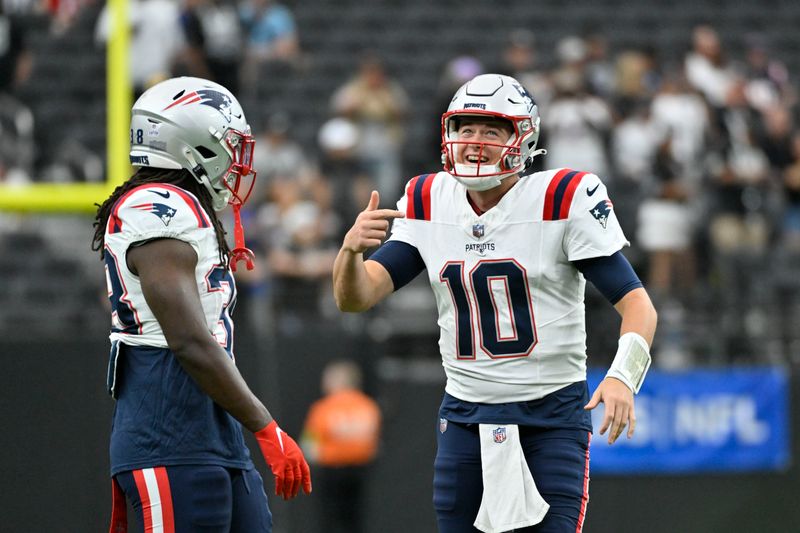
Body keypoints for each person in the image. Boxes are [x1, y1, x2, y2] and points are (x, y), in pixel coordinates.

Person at [332, 73, 657, 532]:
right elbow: (356, 297)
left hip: (550, 416)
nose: (475, 142)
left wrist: (623, 377)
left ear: (521, 139)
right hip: (466, 415)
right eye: (466, 128)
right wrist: (349, 253)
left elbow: (639, 306)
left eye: (491, 130)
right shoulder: (429, 199)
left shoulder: (562, 198)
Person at [91, 76, 311, 533]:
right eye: (229, 145)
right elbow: (189, 341)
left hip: (211, 431)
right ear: (189, 145)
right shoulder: (155, 204)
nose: (237, 161)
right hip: (167, 433)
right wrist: (266, 427)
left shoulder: (186, 204)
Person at [301, 360, 381, 533]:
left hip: (331, 472)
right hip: (360, 472)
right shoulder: (369, 406)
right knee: (355, 519)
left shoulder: (323, 408)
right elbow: (374, 443)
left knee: (329, 519)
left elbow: (309, 446)